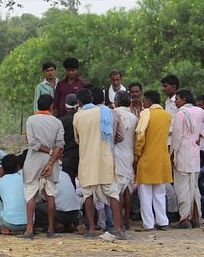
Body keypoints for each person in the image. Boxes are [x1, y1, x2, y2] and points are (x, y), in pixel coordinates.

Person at [73, 88, 130, 239]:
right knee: (113, 194)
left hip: (86, 160)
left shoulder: (77, 117)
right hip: (105, 158)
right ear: (92, 99)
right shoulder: (106, 112)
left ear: (79, 102)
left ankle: (91, 229)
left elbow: (77, 140)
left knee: (88, 195)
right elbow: (116, 135)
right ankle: (117, 229)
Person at [19, 94, 65, 239]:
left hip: (33, 162)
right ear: (51, 106)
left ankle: (29, 229)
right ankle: (50, 230)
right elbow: (60, 144)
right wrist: (51, 160)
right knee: (50, 196)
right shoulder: (57, 122)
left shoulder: (31, 120)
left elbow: (32, 142)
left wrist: (47, 150)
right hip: (51, 163)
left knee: (31, 196)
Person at [170, 90, 204, 229]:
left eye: (177, 99)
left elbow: (177, 138)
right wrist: (201, 135)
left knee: (182, 188)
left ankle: (185, 219)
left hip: (183, 154)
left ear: (184, 99)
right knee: (193, 187)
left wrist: (172, 155)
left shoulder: (181, 114)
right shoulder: (199, 111)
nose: (175, 101)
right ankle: (196, 218)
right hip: (194, 154)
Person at [134, 90, 173, 231]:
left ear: (149, 102)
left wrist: (137, 156)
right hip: (162, 159)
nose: (143, 103)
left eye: (144, 101)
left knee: (145, 194)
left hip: (147, 159)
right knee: (160, 193)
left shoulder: (145, 114)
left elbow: (140, 138)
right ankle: (163, 221)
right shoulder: (167, 116)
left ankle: (148, 224)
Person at [113, 91, 138, 231]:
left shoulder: (113, 114)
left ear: (116, 102)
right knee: (127, 188)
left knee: (117, 191)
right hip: (129, 154)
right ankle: (126, 220)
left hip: (117, 155)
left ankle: (119, 221)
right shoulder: (134, 118)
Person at [0, 155, 28, 235]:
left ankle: (2, 226)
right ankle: (27, 229)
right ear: (18, 167)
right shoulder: (26, 178)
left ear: (3, 168)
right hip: (29, 222)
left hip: (9, 223)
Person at [35, 169, 81, 233]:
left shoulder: (45, 175)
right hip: (75, 213)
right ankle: (70, 224)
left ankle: (55, 224)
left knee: (33, 207)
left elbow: (41, 198)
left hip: (61, 214)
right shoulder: (65, 174)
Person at [59, 94, 80, 186]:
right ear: (78, 105)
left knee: (70, 183)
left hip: (68, 155)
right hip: (83, 154)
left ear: (65, 106)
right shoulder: (82, 118)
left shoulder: (62, 121)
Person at [161, 75, 179, 145]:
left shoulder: (179, 101)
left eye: (165, 86)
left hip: (175, 138)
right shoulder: (167, 101)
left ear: (173, 86)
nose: (163, 89)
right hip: (167, 138)